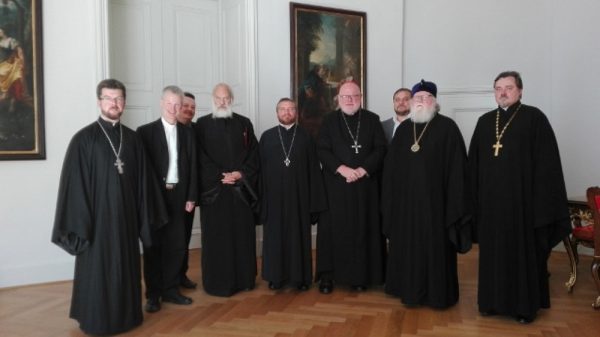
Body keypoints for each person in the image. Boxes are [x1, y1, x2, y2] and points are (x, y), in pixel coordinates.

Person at [51, 79, 167, 335]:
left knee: (126, 268)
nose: (114, 103)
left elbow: (144, 185)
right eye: (108, 98)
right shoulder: (83, 140)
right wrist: (83, 223)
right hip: (96, 223)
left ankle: (127, 316)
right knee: (98, 271)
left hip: (126, 220)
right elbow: (75, 188)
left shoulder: (134, 140)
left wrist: (144, 221)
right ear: (99, 101)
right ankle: (95, 318)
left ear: (124, 102)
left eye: (118, 99)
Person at [469, 71, 570, 323]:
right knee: (492, 256)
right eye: (498, 88)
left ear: (520, 91)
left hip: (523, 208)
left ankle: (524, 308)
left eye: (508, 87)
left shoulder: (535, 118)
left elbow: (548, 168)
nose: (503, 92)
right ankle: (490, 302)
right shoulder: (484, 122)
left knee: (522, 257)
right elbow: (473, 167)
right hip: (491, 208)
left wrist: (540, 207)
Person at [381, 79, 471, 308]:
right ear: (412, 102)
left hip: (436, 207)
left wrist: (453, 204)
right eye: (417, 98)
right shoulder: (402, 132)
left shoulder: (448, 128)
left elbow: (458, 171)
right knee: (407, 249)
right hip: (406, 208)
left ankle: (438, 296)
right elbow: (390, 171)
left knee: (436, 251)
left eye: (426, 97)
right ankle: (407, 291)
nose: (421, 101)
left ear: (435, 101)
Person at [315, 80, 387, 294]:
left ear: (361, 97)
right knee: (332, 231)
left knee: (363, 230)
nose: (350, 100)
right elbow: (322, 150)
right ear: (338, 98)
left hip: (365, 186)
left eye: (354, 96)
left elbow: (380, 148)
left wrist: (364, 169)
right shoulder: (328, 121)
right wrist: (342, 168)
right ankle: (328, 276)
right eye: (345, 96)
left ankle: (361, 277)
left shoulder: (372, 120)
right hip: (336, 186)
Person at [194, 83, 260, 296]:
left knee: (242, 235)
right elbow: (199, 156)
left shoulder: (244, 123)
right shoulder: (201, 125)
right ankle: (217, 283)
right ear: (212, 99)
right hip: (215, 193)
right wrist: (220, 175)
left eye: (226, 98)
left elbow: (254, 155)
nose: (222, 102)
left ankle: (244, 280)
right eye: (218, 98)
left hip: (240, 191)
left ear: (231, 99)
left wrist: (240, 173)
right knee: (217, 239)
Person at [137, 85, 197, 312]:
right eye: (170, 103)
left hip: (180, 196)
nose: (174, 108)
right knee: (153, 246)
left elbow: (192, 168)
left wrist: (192, 196)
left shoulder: (189, 133)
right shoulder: (144, 132)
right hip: (155, 197)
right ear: (161, 103)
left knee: (177, 246)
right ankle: (153, 295)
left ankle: (171, 290)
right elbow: (143, 171)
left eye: (178, 104)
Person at [259, 98, 327, 291]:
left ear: (296, 112)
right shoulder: (267, 137)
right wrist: (262, 200)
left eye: (291, 109)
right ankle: (275, 277)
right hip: (274, 200)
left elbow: (314, 171)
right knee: (275, 238)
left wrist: (314, 203)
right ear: (277, 112)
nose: (287, 112)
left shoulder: (306, 137)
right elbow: (260, 172)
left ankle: (301, 279)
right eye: (283, 109)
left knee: (299, 238)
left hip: (300, 199)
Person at [176, 91, 198, 289]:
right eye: (186, 106)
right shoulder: (164, 129)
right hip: (168, 197)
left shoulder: (197, 130)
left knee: (184, 238)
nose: (189, 110)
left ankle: (181, 275)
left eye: (193, 107)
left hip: (190, 196)